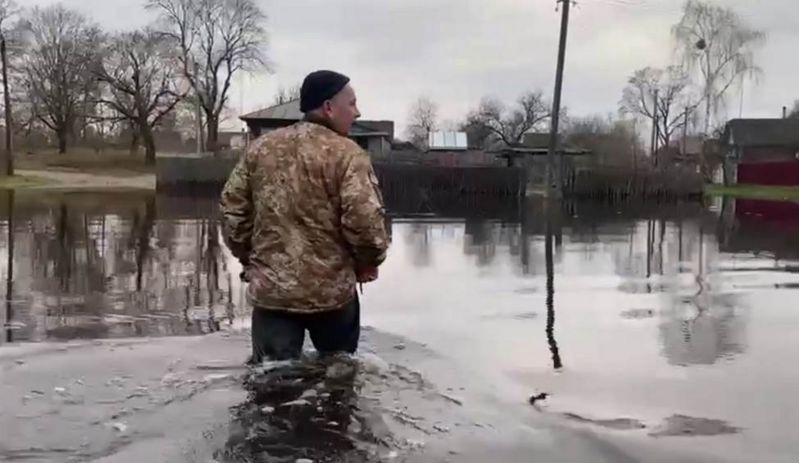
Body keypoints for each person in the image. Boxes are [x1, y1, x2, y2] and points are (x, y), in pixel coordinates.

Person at [220, 70, 389, 363]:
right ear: (328, 107)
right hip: (332, 297)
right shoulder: (349, 155)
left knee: (272, 385)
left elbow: (233, 211)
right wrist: (368, 262)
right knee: (337, 380)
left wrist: (253, 260)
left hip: (273, 294)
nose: (357, 111)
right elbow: (364, 222)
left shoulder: (260, 149)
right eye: (352, 103)